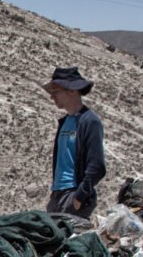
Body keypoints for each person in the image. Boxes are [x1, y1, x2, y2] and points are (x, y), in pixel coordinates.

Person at [43, 66, 105, 219]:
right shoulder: (65, 122)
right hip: (57, 195)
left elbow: (97, 166)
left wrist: (79, 197)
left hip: (73, 195)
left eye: (56, 91)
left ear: (72, 90)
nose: (52, 97)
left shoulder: (89, 121)